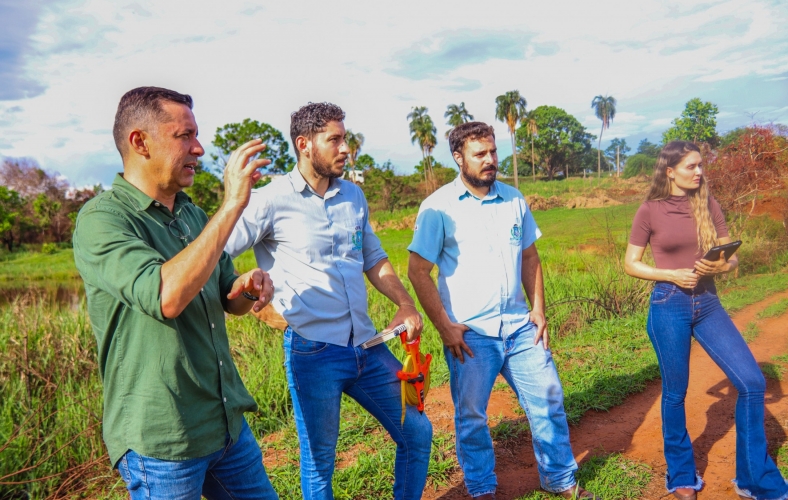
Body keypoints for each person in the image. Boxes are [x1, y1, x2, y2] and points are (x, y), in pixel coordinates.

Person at [73, 86, 279, 499]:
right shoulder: (103, 219)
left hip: (224, 423)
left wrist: (246, 287)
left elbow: (226, 297)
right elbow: (165, 296)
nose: (199, 148)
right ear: (140, 142)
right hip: (163, 440)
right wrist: (233, 204)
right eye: (184, 135)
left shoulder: (191, 214)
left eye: (196, 135)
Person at [225, 102, 432, 500]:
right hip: (313, 353)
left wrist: (406, 304)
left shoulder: (352, 196)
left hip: (368, 348)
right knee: (320, 461)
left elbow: (373, 258)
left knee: (417, 430)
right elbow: (220, 252)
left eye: (345, 138)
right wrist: (253, 291)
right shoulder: (271, 200)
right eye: (334, 139)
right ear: (305, 144)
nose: (345, 148)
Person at [407, 121, 598, 500]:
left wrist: (539, 309)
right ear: (459, 158)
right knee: (473, 418)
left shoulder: (514, 200)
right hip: (471, 335)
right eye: (480, 154)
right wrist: (445, 327)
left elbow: (530, 256)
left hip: (519, 327)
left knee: (549, 400)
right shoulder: (438, 209)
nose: (490, 160)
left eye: (493, 152)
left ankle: (559, 479)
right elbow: (417, 271)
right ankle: (482, 490)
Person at [624, 140, 788, 500]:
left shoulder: (707, 203)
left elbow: (731, 256)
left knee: (751, 381)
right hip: (668, 304)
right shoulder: (649, 210)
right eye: (692, 166)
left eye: (701, 165)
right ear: (670, 171)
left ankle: (755, 480)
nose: (700, 172)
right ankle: (681, 475)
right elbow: (630, 264)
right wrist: (670, 275)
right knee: (675, 393)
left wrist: (722, 264)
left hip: (708, 303)